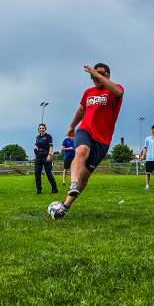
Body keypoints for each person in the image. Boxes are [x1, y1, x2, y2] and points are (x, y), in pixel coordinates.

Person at [54, 64, 123, 219]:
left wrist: (97, 74)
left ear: (108, 75)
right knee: (81, 150)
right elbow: (81, 110)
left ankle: (65, 205)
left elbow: (119, 92)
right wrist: (72, 126)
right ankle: (73, 184)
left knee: (84, 176)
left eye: (98, 74)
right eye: (92, 75)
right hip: (85, 130)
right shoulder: (88, 92)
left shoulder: (114, 90)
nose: (94, 78)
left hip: (103, 139)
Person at [34, 124, 57, 195]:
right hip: (39, 156)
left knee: (48, 172)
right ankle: (39, 190)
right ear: (38, 129)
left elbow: (50, 146)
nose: (41, 129)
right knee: (37, 173)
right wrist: (35, 148)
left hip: (46, 154)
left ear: (45, 129)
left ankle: (54, 189)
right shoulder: (37, 137)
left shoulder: (48, 136)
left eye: (43, 128)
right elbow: (36, 144)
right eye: (40, 128)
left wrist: (49, 155)